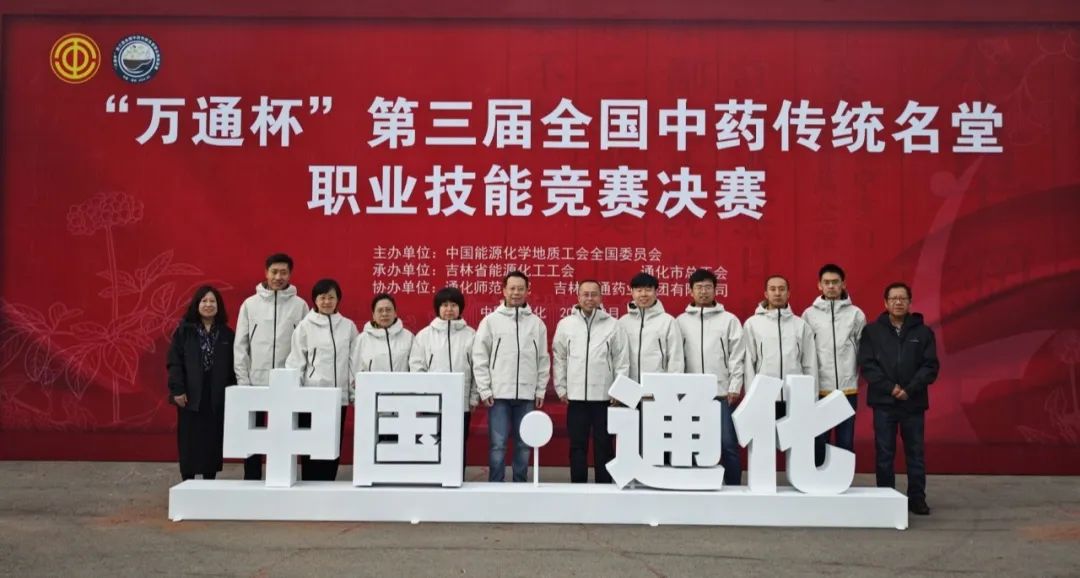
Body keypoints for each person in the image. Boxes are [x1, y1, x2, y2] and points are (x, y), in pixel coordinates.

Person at [858, 282, 939, 516]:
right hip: (884, 404)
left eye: (903, 298)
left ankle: (917, 499)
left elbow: (930, 366)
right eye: (893, 298)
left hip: (913, 403)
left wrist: (909, 389)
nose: (898, 302)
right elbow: (867, 366)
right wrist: (891, 388)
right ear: (885, 303)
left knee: (915, 453)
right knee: (885, 453)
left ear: (910, 302)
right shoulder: (872, 332)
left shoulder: (924, 332)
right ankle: (886, 498)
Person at [234, 253, 309, 480]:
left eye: (283, 272)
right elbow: (241, 345)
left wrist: (298, 379)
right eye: (274, 272)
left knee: (285, 432)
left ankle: (283, 477)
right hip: (255, 380)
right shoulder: (250, 305)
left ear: (290, 274)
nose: (278, 277)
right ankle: (252, 478)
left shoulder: (300, 306)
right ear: (266, 273)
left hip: (287, 382)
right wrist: (243, 380)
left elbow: (306, 345)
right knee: (253, 433)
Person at [473, 271, 550, 482]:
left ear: (527, 291)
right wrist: (484, 389)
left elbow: (543, 359)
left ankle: (520, 486)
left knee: (524, 444)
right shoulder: (490, 321)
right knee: (498, 446)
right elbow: (480, 357)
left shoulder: (537, 324)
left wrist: (540, 390)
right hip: (498, 395)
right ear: (504, 290)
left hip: (526, 395)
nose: (516, 293)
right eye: (512, 288)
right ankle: (495, 486)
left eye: (521, 289)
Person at [552, 280, 629, 484]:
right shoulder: (566, 325)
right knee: (577, 446)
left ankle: (604, 487)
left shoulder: (613, 325)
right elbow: (559, 358)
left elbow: (621, 360)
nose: (589, 298)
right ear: (578, 297)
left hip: (605, 397)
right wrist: (561, 387)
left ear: (601, 297)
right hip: (576, 397)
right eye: (585, 294)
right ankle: (578, 486)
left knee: (604, 445)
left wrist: (618, 391)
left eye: (594, 294)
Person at [677, 268, 745, 486]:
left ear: (716, 290)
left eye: (708, 287)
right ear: (690, 291)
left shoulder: (729, 320)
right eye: (699, 287)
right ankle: (695, 485)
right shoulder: (680, 321)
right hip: (689, 395)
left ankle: (733, 487)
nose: (703, 292)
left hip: (721, 393)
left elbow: (737, 356)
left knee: (727, 443)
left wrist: (735, 386)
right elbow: (676, 357)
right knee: (691, 442)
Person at [285, 278, 358, 481]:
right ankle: (309, 483)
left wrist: (352, 393)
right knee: (311, 444)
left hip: (338, 397)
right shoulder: (305, 326)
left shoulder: (348, 326)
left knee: (332, 444)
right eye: (322, 297)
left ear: (338, 300)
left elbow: (354, 362)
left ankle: (328, 484)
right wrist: (295, 393)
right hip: (312, 396)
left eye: (331, 297)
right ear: (315, 300)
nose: (327, 302)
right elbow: (296, 361)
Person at [167, 285, 235, 481]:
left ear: (218, 306)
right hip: (190, 394)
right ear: (196, 305)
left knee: (211, 439)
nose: (208, 305)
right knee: (189, 439)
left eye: (212, 301)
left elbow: (233, 366)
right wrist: (177, 389)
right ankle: (187, 481)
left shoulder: (227, 334)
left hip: (216, 395)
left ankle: (209, 481)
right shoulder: (184, 331)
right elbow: (174, 362)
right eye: (204, 301)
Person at [802, 264, 867, 467]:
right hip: (819, 389)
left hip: (847, 389)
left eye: (835, 282)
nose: (831, 286)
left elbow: (862, 349)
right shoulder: (809, 315)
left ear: (843, 284)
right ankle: (818, 482)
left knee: (845, 442)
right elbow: (804, 352)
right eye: (827, 282)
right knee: (818, 441)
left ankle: (842, 482)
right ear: (819, 285)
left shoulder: (856, 314)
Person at [409, 287, 479, 473]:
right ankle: (429, 478)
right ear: (437, 308)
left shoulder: (471, 335)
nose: (449, 309)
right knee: (429, 443)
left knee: (458, 444)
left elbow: (477, 368)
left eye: (453, 305)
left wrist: (473, 397)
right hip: (431, 404)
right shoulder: (425, 335)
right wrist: (423, 397)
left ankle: (457, 479)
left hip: (460, 403)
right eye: (445, 305)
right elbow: (417, 367)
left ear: (460, 308)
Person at [743, 275, 816, 417]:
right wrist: (751, 397)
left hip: (794, 396)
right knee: (766, 432)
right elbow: (748, 364)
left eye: (782, 289)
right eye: (773, 289)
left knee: (792, 432)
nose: (777, 293)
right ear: (766, 294)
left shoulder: (801, 325)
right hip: (764, 395)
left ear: (788, 293)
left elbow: (810, 364)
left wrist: (811, 396)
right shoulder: (752, 324)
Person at [617, 272, 684, 381]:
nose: (643, 294)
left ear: (656, 292)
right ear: (632, 292)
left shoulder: (668, 321)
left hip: (659, 384)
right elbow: (617, 357)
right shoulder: (623, 322)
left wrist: (673, 385)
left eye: (648, 290)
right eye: (639, 290)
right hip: (629, 384)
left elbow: (676, 358)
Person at [352, 293, 414, 373]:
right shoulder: (362, 340)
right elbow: (354, 372)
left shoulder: (408, 337)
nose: (384, 314)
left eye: (388, 310)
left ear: (395, 313)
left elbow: (414, 368)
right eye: (380, 310)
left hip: (402, 382)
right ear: (373, 315)